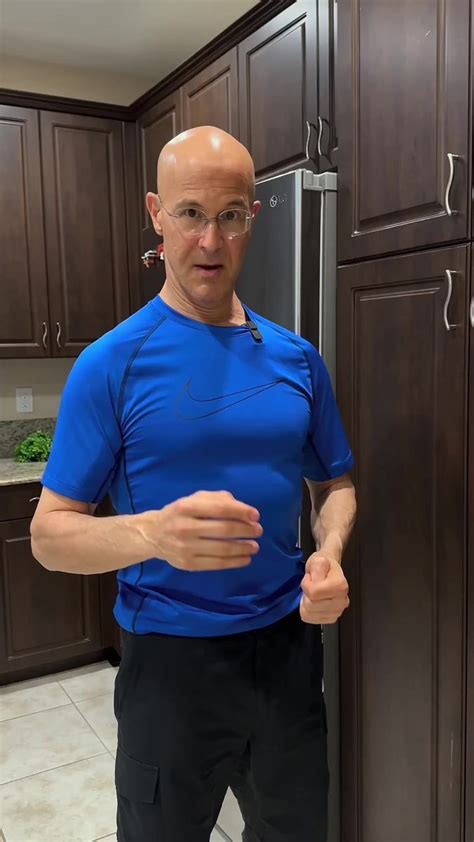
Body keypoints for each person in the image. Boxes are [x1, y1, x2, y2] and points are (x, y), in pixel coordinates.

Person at [31, 126, 357, 842]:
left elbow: (334, 485)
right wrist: (152, 534)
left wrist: (329, 554)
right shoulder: (110, 364)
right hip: (170, 668)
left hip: (286, 655)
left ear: (252, 218)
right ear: (156, 214)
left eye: (230, 215)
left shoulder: (298, 359)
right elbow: (49, 537)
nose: (210, 242)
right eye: (190, 214)